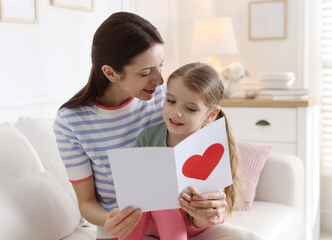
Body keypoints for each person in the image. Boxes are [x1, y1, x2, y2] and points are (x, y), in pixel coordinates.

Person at [53, 12, 228, 240]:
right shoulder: (71, 122)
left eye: (160, 66)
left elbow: (203, 153)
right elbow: (86, 203)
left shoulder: (167, 100)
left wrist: (215, 200)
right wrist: (110, 219)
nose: (160, 80)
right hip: (124, 227)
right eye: (146, 73)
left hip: (179, 220)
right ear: (110, 73)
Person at [127, 62, 243, 240]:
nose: (176, 112)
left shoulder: (212, 145)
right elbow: (134, 191)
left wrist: (202, 211)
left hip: (199, 222)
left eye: (190, 108)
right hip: (156, 220)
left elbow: (210, 206)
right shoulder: (148, 137)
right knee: (150, 195)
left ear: (210, 115)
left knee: (161, 198)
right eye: (171, 101)